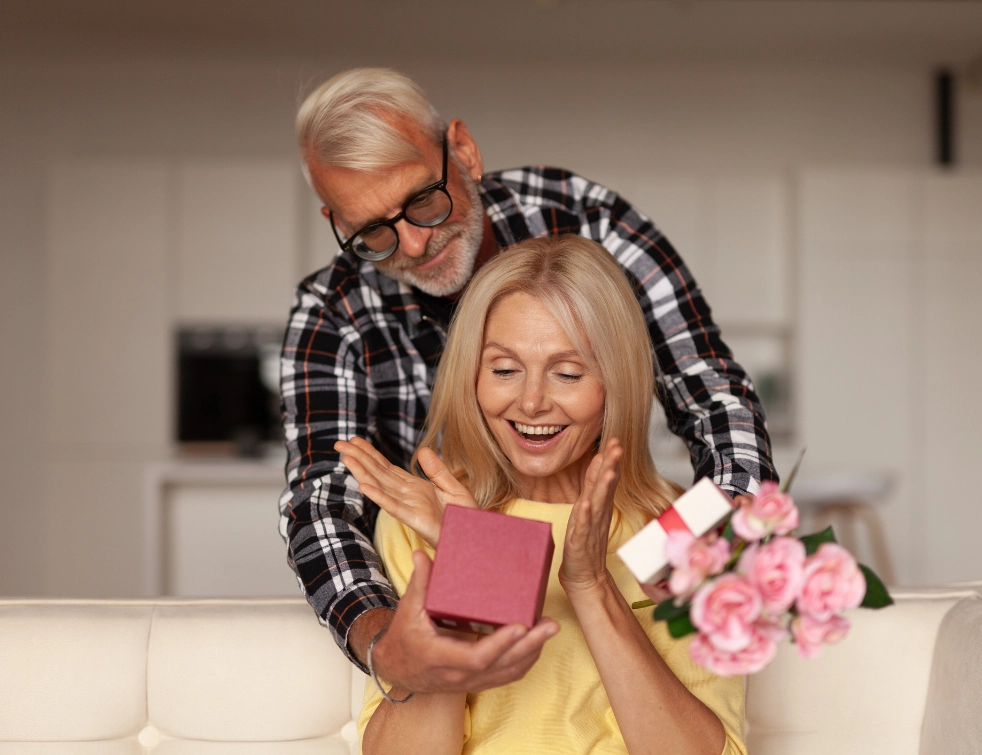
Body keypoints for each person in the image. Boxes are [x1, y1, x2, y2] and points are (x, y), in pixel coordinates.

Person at [280, 67, 776, 693]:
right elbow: (321, 502)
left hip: (607, 553)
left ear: (463, 151)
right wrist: (387, 645)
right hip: (445, 571)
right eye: (372, 233)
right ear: (334, 219)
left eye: (424, 200)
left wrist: (693, 541)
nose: (413, 241)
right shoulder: (333, 310)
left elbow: (708, 391)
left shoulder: (588, 220)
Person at [338, 235, 747, 755]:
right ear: (473, 376)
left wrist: (591, 582)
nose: (531, 402)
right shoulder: (421, 518)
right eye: (504, 370)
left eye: (568, 373)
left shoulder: (684, 530)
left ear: (614, 381)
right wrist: (476, 560)